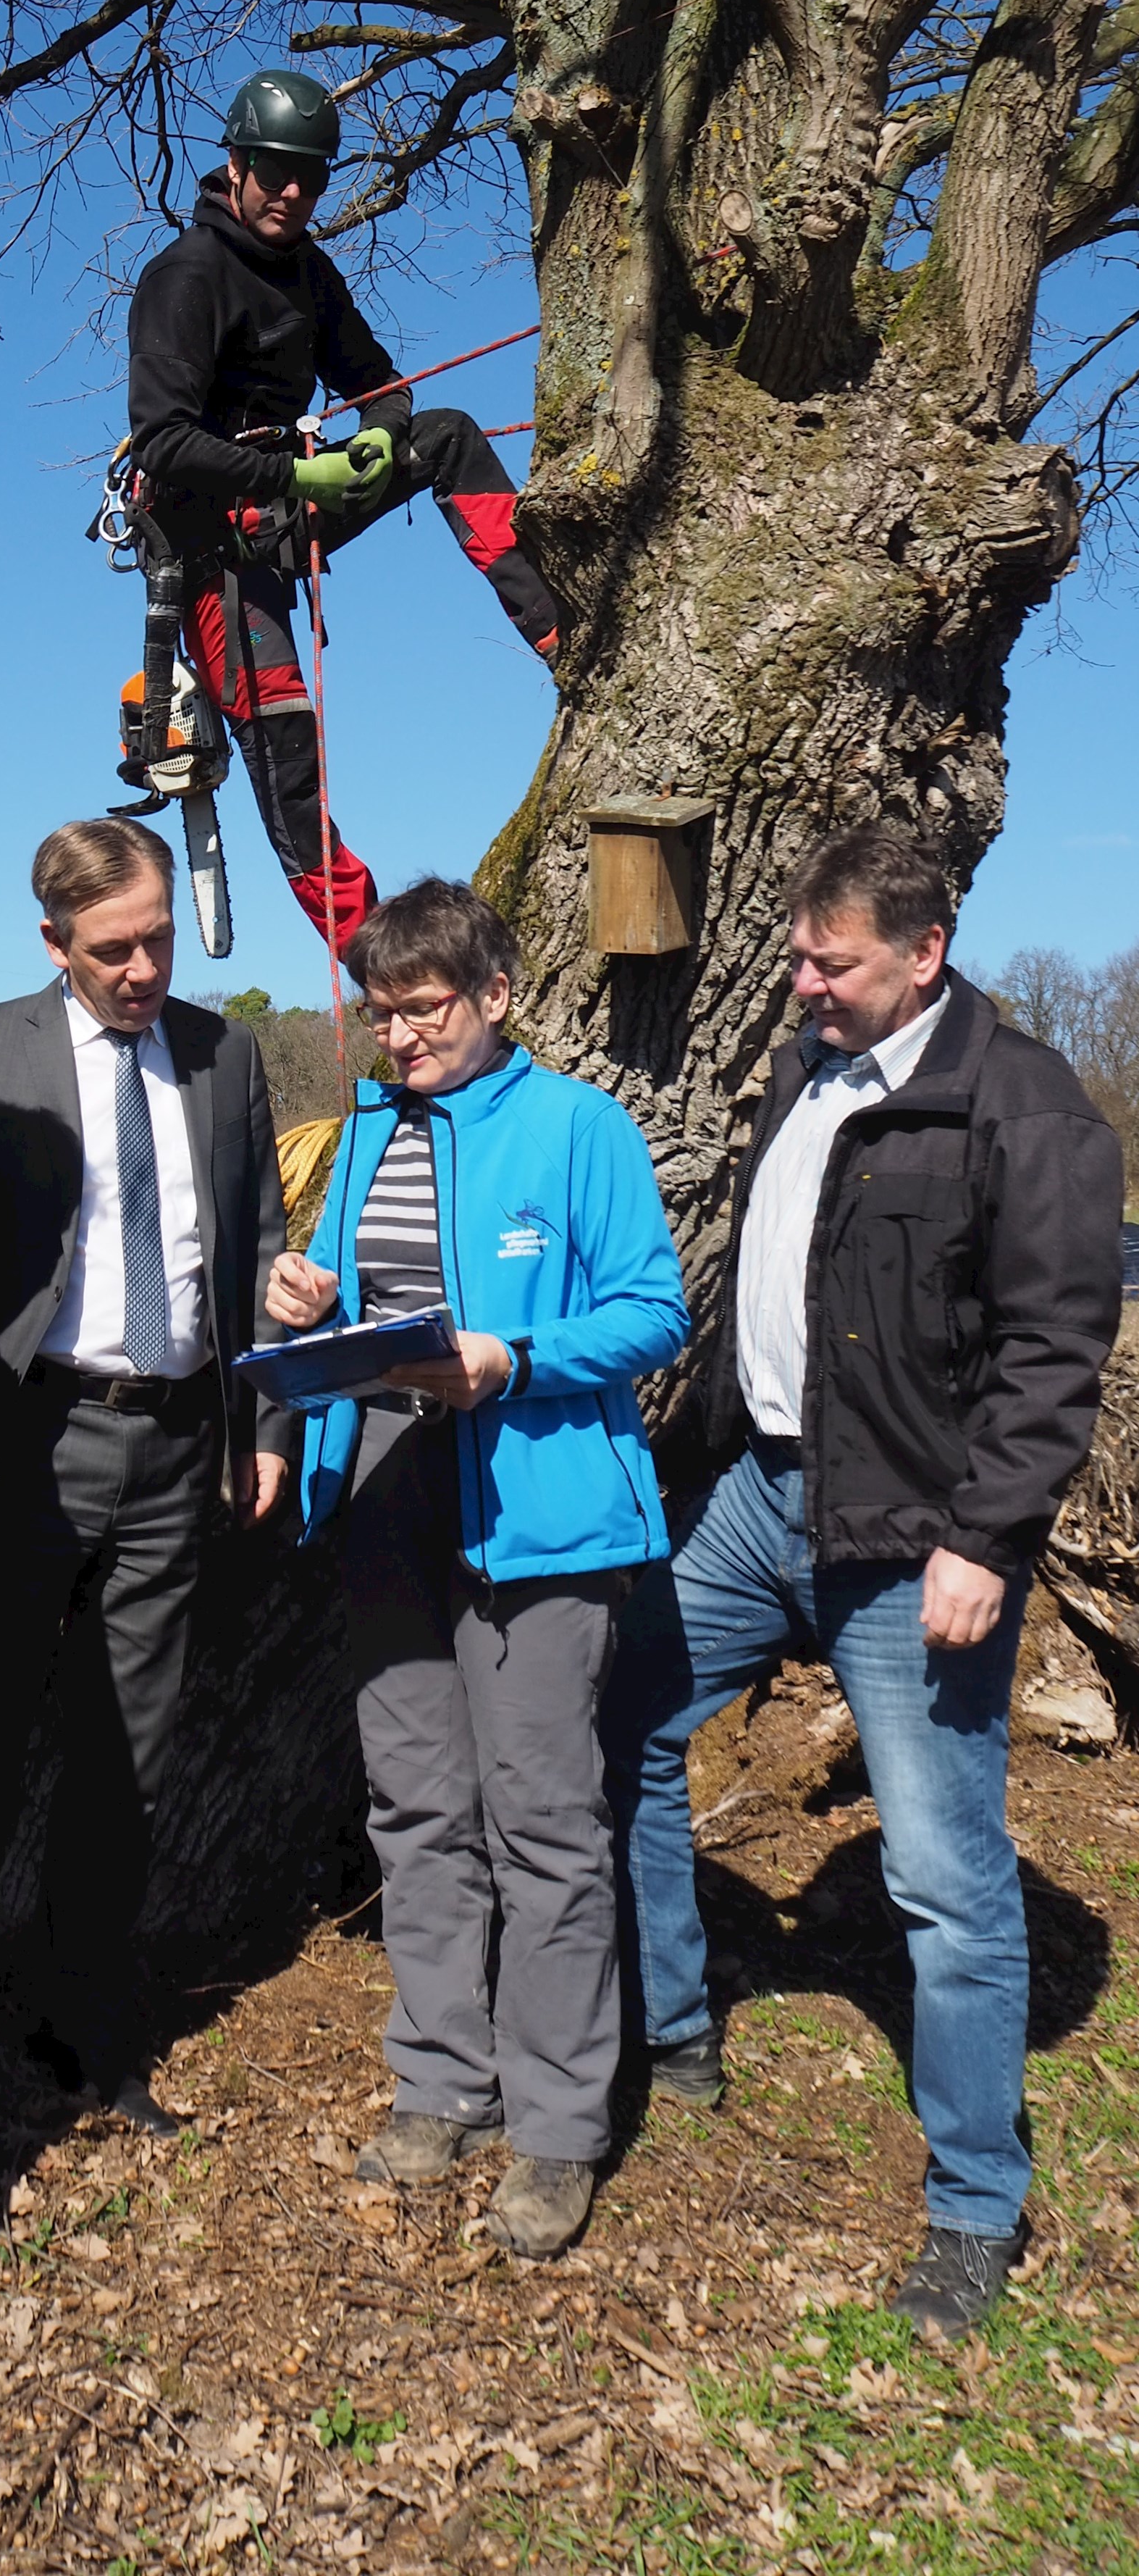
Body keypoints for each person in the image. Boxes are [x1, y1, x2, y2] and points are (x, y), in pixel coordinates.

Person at [601, 824, 1124, 2341]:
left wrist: (990, 1535)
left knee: (944, 1872)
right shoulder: (808, 1067)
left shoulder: (1022, 1103)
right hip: (761, 1500)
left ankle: (975, 2194)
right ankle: (679, 2019)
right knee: (628, 1721)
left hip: (918, 1541)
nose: (801, 979)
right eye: (799, 952)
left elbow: (1053, 1348)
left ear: (925, 949)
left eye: (832, 960)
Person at [267, 880, 687, 2256]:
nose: (400, 1036)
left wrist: (515, 1361)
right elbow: (342, 1286)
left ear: (495, 996)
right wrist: (301, 1294)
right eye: (381, 1012)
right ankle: (441, 2081)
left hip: (538, 1516)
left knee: (546, 1827)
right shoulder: (369, 1131)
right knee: (416, 1811)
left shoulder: (580, 1128)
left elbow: (652, 1311)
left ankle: (559, 2125)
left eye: (425, 1007)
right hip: (385, 1495)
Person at [0, 816, 293, 2142]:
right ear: (52, 943)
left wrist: (262, 1419)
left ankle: (84, 2026)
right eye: (113, 948)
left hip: (179, 1444)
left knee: (134, 1754)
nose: (143, 969)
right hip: (26, 1444)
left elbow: (258, 1244)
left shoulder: (223, 1058)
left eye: (160, 939)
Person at [126, 67, 561, 949]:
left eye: (315, 177)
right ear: (237, 163)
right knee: (287, 761)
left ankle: (562, 633)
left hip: (294, 505)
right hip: (212, 553)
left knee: (443, 434)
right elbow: (161, 443)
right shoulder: (186, 277)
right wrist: (297, 480)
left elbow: (380, 381)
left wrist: (375, 432)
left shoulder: (309, 273)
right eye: (279, 171)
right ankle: (374, 956)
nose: (296, 192)